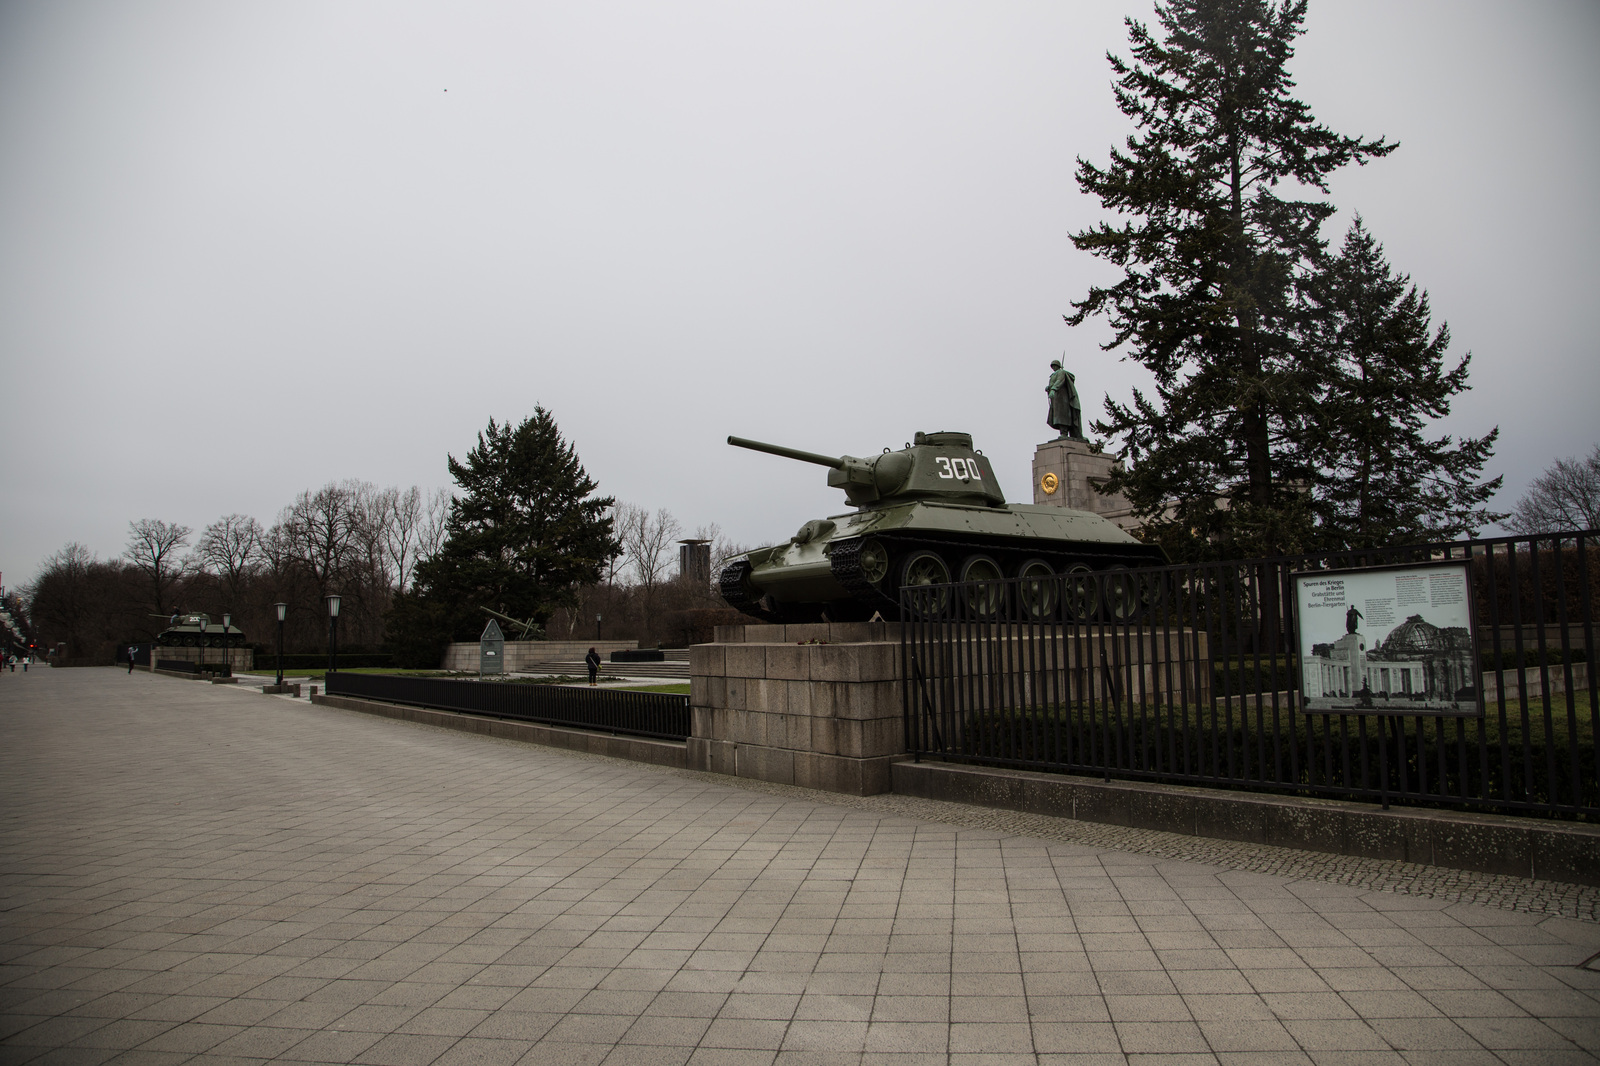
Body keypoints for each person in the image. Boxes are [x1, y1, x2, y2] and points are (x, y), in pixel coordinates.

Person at [1046, 359, 1084, 441]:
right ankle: (1063, 433)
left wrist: (1053, 389)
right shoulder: (1053, 375)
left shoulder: (1061, 372)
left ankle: (1064, 433)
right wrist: (1049, 388)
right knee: (1058, 416)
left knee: (1063, 416)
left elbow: (1060, 381)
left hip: (1063, 398)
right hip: (1056, 399)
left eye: (1055, 365)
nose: (1053, 367)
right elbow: (1053, 383)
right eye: (1052, 366)